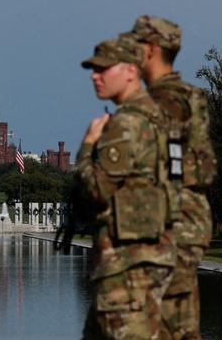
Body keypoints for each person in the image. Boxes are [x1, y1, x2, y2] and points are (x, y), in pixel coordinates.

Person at [75, 35, 175, 339]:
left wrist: (87, 147)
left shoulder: (125, 125)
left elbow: (96, 190)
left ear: (131, 71)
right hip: (144, 262)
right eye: (93, 69)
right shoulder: (157, 116)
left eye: (104, 69)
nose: (95, 76)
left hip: (125, 269)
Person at [129, 15, 216, 340]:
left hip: (168, 226)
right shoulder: (191, 98)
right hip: (187, 221)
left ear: (151, 49)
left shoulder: (157, 104)